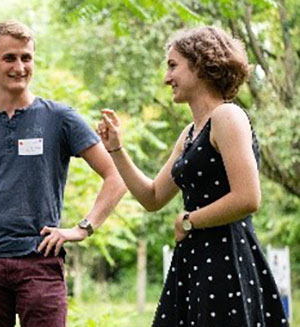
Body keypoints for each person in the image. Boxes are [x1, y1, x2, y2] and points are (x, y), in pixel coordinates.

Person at [0, 20, 126, 327]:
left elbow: (116, 177)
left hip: (40, 261)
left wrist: (82, 229)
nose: (19, 66)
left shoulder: (60, 118)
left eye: (26, 57)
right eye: (10, 58)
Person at [98, 26, 289, 327]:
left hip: (228, 260)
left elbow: (248, 197)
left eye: (173, 65)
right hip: (195, 261)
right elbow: (153, 197)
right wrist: (117, 150)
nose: (166, 78)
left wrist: (188, 220)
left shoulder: (228, 117)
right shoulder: (189, 133)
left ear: (200, 65)